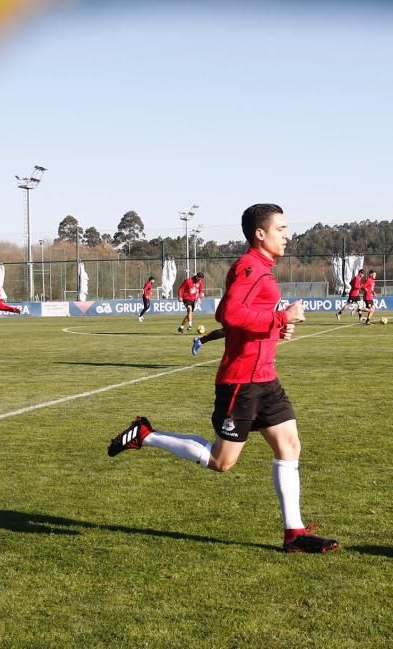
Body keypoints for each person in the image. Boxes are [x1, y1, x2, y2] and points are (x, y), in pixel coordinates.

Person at [108, 203, 339, 554]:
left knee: (289, 445)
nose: (287, 235)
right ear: (260, 234)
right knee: (222, 461)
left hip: (265, 377)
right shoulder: (250, 266)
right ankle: (146, 434)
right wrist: (278, 320)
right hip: (242, 382)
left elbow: (236, 313)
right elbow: (228, 314)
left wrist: (276, 328)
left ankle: (295, 533)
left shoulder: (262, 268)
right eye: (281, 229)